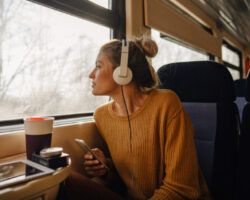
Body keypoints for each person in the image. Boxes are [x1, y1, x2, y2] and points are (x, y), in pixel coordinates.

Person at [65, 38, 210, 200]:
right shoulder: (101, 115)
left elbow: (181, 188)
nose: (91, 74)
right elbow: (130, 178)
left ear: (121, 72)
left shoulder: (167, 103)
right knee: (67, 181)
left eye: (98, 66)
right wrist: (106, 170)